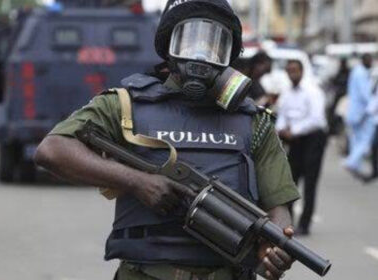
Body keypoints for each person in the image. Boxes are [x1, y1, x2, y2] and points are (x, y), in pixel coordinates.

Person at [34, 1, 300, 280]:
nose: (200, 54)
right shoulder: (126, 105)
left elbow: (278, 209)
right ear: (168, 47)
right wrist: (136, 182)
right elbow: (52, 150)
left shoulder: (253, 121)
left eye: (214, 44)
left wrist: (275, 245)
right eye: (188, 40)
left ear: (229, 55)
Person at [276, 60, 327, 236]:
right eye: (289, 71)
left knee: (310, 182)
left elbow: (317, 119)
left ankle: (305, 224)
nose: (292, 74)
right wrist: (282, 130)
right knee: (291, 181)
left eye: (295, 70)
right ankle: (287, 223)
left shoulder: (313, 92)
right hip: (294, 140)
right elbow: (282, 116)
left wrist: (294, 131)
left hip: (313, 138)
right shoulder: (287, 93)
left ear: (302, 71)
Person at [343, 54, 375, 180]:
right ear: (364, 61)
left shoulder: (357, 71)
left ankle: (355, 164)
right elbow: (365, 94)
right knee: (365, 139)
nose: (371, 62)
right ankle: (351, 162)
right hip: (361, 112)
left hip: (355, 110)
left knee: (356, 138)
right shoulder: (361, 74)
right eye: (370, 60)